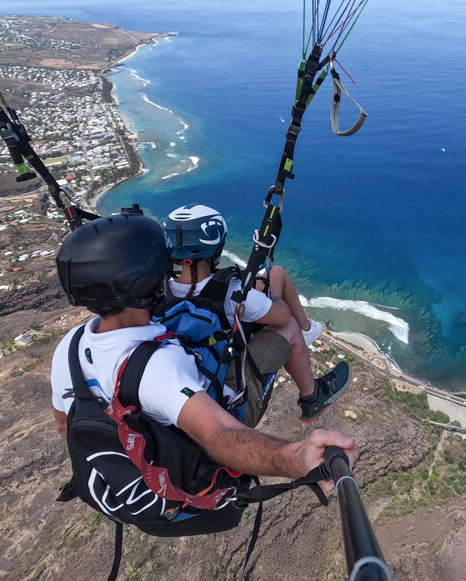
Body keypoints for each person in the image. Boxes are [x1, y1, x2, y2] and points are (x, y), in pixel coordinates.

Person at [49, 212, 356, 495]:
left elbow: (65, 425)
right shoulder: (159, 366)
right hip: (218, 420)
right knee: (288, 329)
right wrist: (296, 458)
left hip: (122, 463)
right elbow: (218, 434)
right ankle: (312, 396)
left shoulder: (71, 345)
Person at [161, 203, 348, 423]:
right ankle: (313, 397)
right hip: (227, 403)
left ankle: (307, 331)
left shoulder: (160, 292)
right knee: (289, 327)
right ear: (216, 248)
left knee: (276, 274)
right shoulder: (232, 293)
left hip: (192, 381)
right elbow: (283, 316)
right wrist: (266, 296)